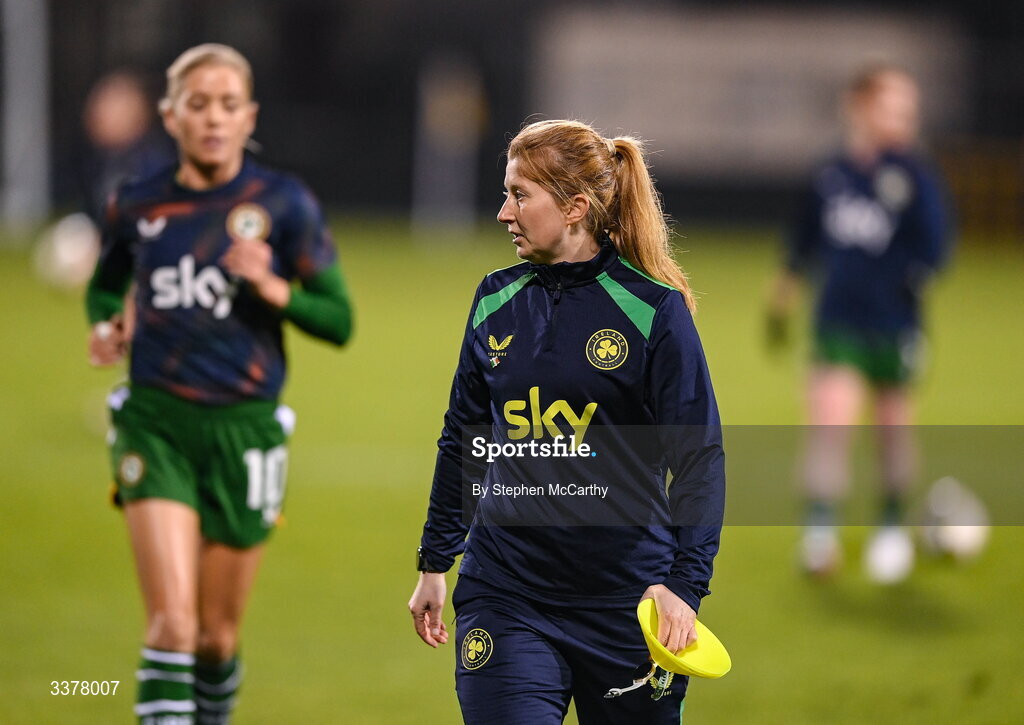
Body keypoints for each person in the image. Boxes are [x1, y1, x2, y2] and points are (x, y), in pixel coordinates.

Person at [408, 119, 725, 723]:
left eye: (520, 195)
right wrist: (435, 561)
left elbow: (698, 458)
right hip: (506, 594)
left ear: (576, 207)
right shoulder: (494, 300)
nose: (504, 212)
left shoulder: (653, 310)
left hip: (628, 604)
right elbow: (464, 438)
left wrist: (685, 586)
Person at [85, 44, 353, 725]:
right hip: (156, 424)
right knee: (172, 625)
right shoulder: (137, 204)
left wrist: (271, 286)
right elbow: (105, 284)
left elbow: (339, 319)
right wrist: (105, 325)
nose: (213, 118)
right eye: (197, 104)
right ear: (170, 116)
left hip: (245, 432)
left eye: (228, 104)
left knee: (214, 638)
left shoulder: (283, 204)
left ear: (249, 116)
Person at [766, 64, 951, 582]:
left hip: (895, 325)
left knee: (892, 431)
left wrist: (913, 275)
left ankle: (891, 529)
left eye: (910, 111)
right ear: (862, 107)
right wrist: (785, 286)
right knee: (830, 423)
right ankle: (820, 535)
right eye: (896, 108)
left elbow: (938, 247)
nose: (906, 120)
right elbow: (803, 239)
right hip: (838, 321)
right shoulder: (831, 172)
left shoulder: (915, 174)